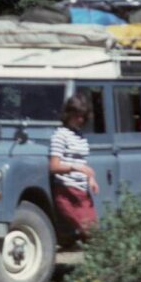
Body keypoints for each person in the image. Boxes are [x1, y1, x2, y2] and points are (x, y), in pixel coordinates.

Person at [49, 94, 99, 240]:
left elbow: (82, 162)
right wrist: (75, 168)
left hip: (82, 191)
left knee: (94, 231)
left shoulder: (80, 136)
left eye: (83, 116)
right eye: (77, 116)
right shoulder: (60, 135)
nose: (80, 120)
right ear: (69, 114)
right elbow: (54, 166)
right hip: (67, 191)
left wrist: (90, 178)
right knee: (89, 231)